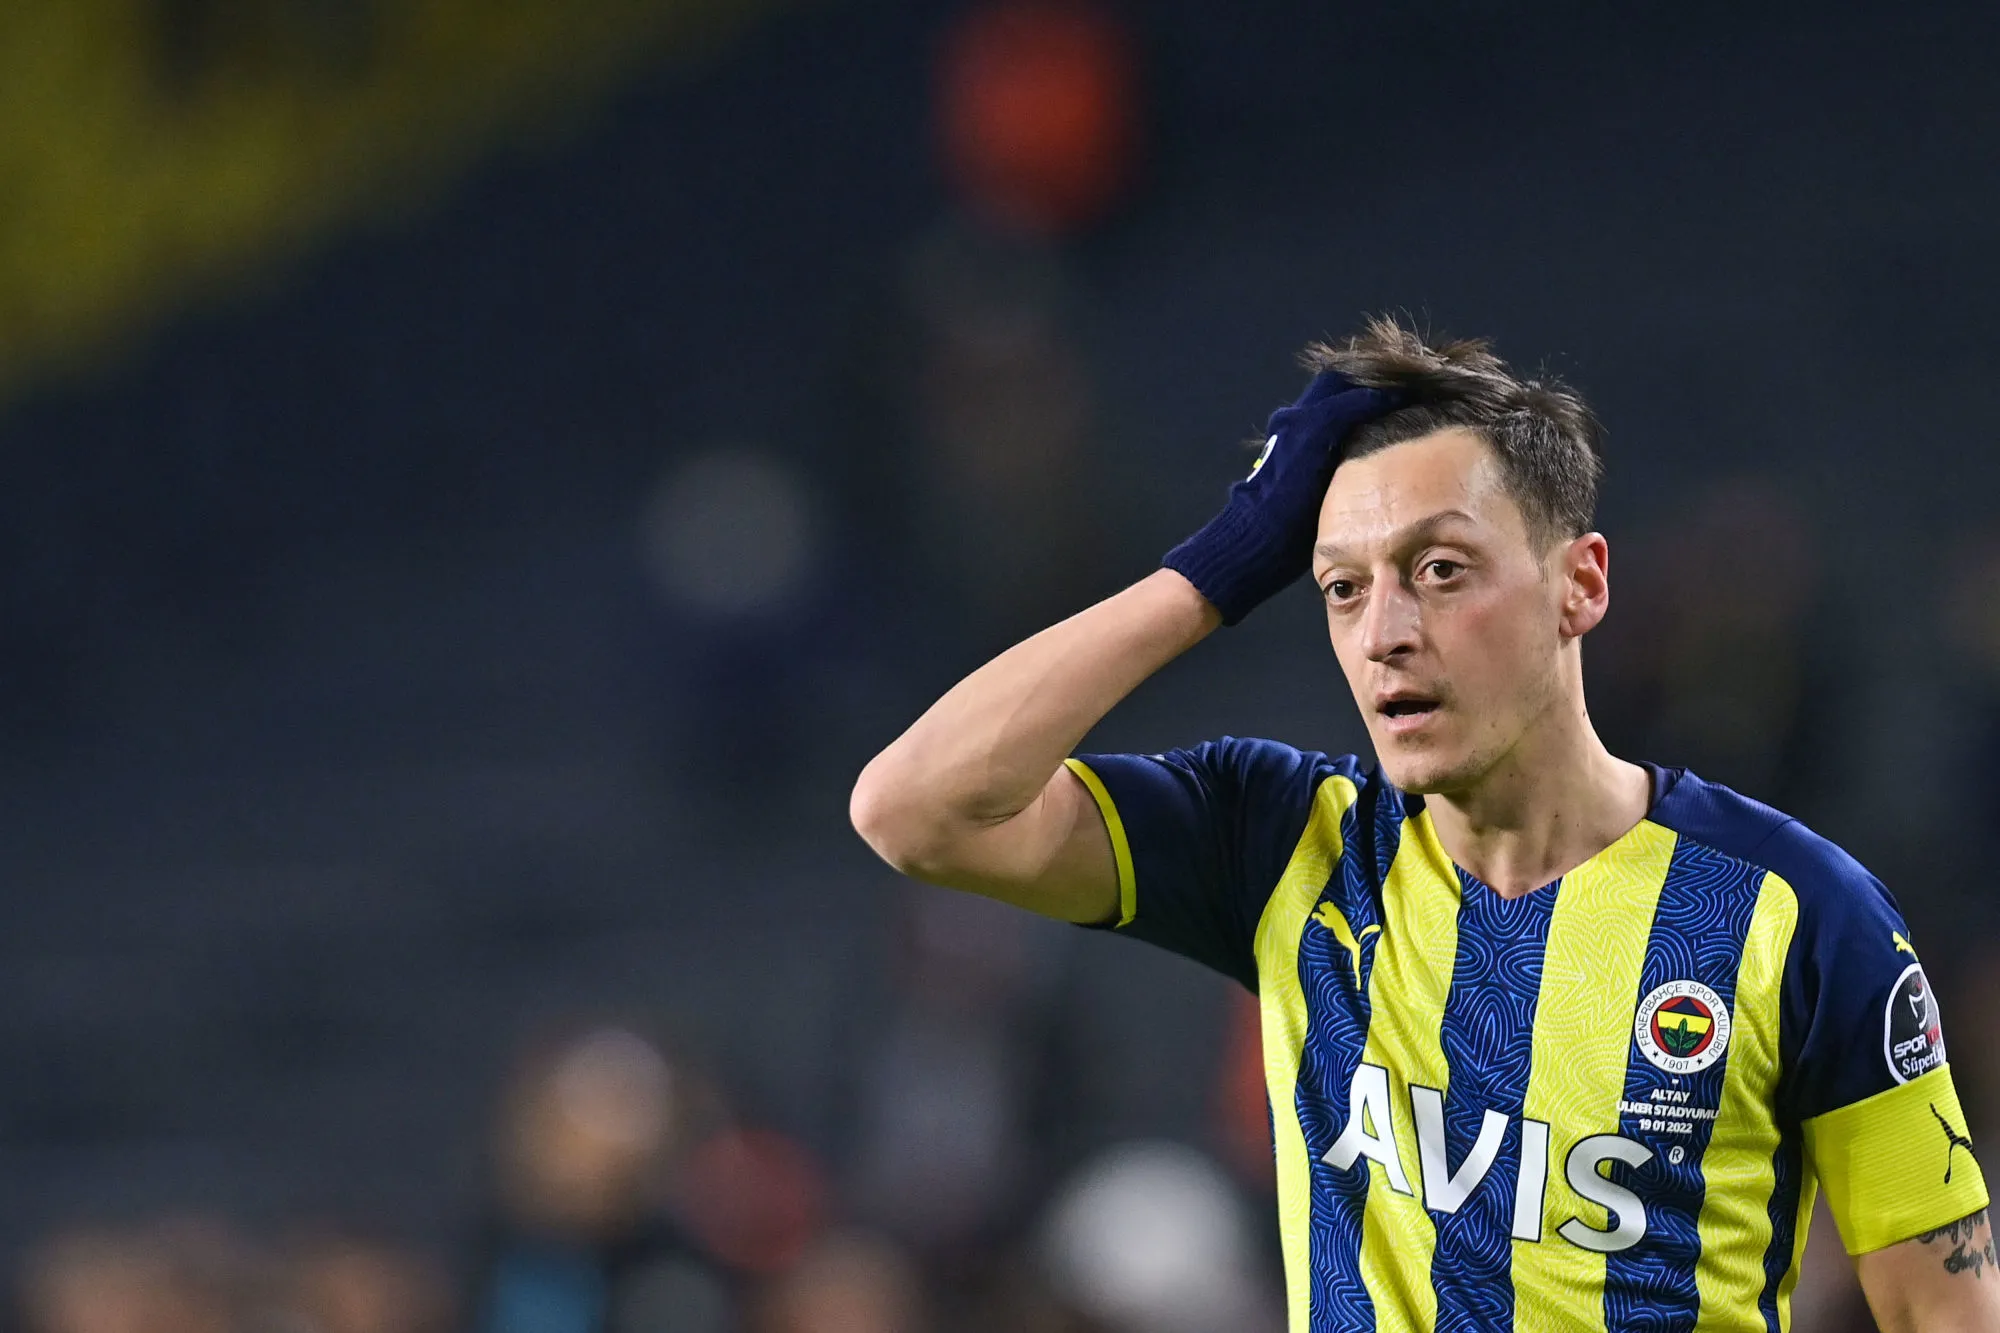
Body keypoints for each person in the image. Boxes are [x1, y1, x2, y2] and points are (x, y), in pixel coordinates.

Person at [849, 315, 1996, 1332]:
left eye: (1439, 569)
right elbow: (914, 809)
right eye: (1341, 588)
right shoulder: (1282, 844)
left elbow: (1940, 1307)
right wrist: (1217, 567)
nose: (1383, 632)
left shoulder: (1796, 913)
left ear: (1579, 585)